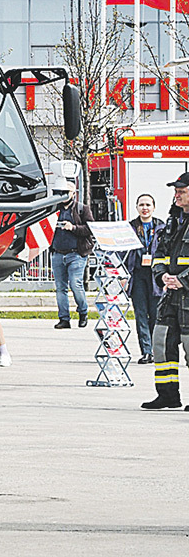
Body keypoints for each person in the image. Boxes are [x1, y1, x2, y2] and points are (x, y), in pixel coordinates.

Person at [142, 172, 189, 411]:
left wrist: (184, 280)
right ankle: (168, 395)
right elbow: (158, 253)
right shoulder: (173, 221)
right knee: (161, 343)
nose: (176, 195)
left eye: (181, 190)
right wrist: (162, 275)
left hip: (188, 295)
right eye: (176, 191)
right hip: (170, 295)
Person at [124, 194, 164, 364]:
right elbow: (123, 252)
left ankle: (156, 351)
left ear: (154, 207)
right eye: (141, 205)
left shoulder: (162, 227)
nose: (145, 208)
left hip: (156, 275)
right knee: (141, 314)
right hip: (138, 274)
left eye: (148, 204)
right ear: (137, 207)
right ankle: (146, 351)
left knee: (156, 315)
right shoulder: (131, 227)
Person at [50, 179, 94, 329]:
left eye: (67, 191)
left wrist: (73, 228)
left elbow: (90, 229)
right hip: (57, 253)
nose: (63, 194)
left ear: (73, 193)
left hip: (76, 254)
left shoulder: (82, 209)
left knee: (76, 284)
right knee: (60, 287)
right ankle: (64, 318)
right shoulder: (53, 209)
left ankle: (83, 311)